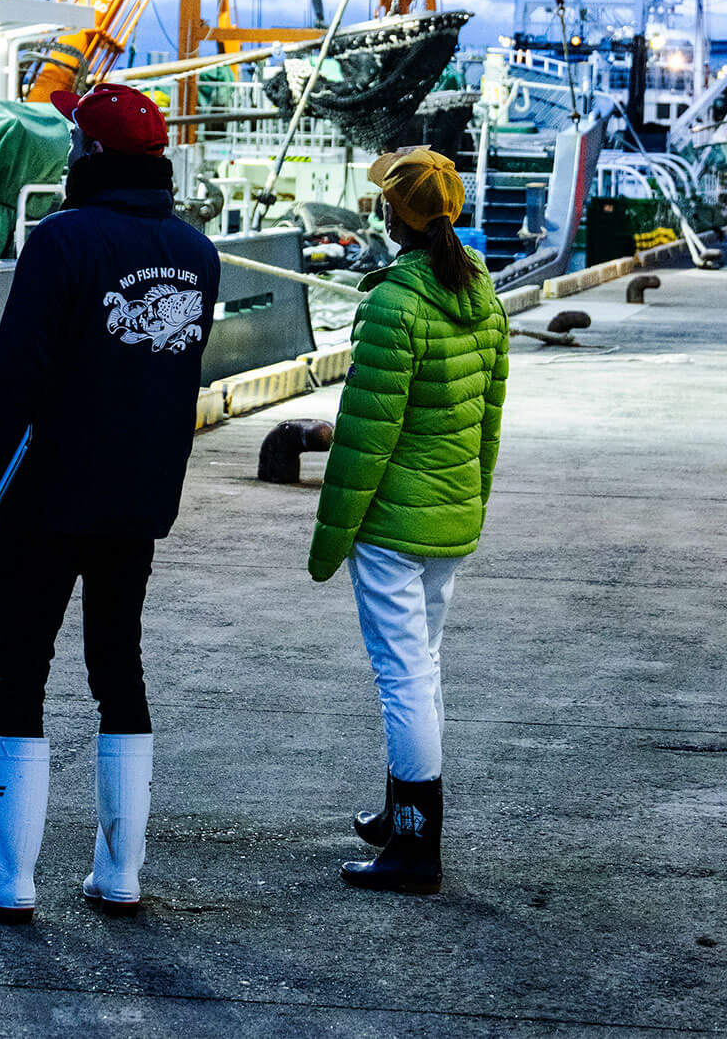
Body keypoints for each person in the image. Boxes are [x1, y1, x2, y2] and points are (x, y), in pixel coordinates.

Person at [0, 81, 221, 923]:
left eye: (73, 144)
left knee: (21, 667)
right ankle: (120, 873)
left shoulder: (61, 241)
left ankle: (9, 879)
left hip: (51, 492)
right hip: (139, 495)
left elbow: (18, 369)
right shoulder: (197, 251)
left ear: (91, 156)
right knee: (119, 665)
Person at [307, 147, 509, 895]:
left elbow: (366, 439)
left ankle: (416, 847)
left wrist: (330, 541)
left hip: (394, 526)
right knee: (421, 668)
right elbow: (489, 419)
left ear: (398, 216)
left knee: (403, 676)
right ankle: (402, 812)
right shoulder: (481, 291)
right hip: (450, 517)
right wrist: (473, 500)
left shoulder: (394, 302)